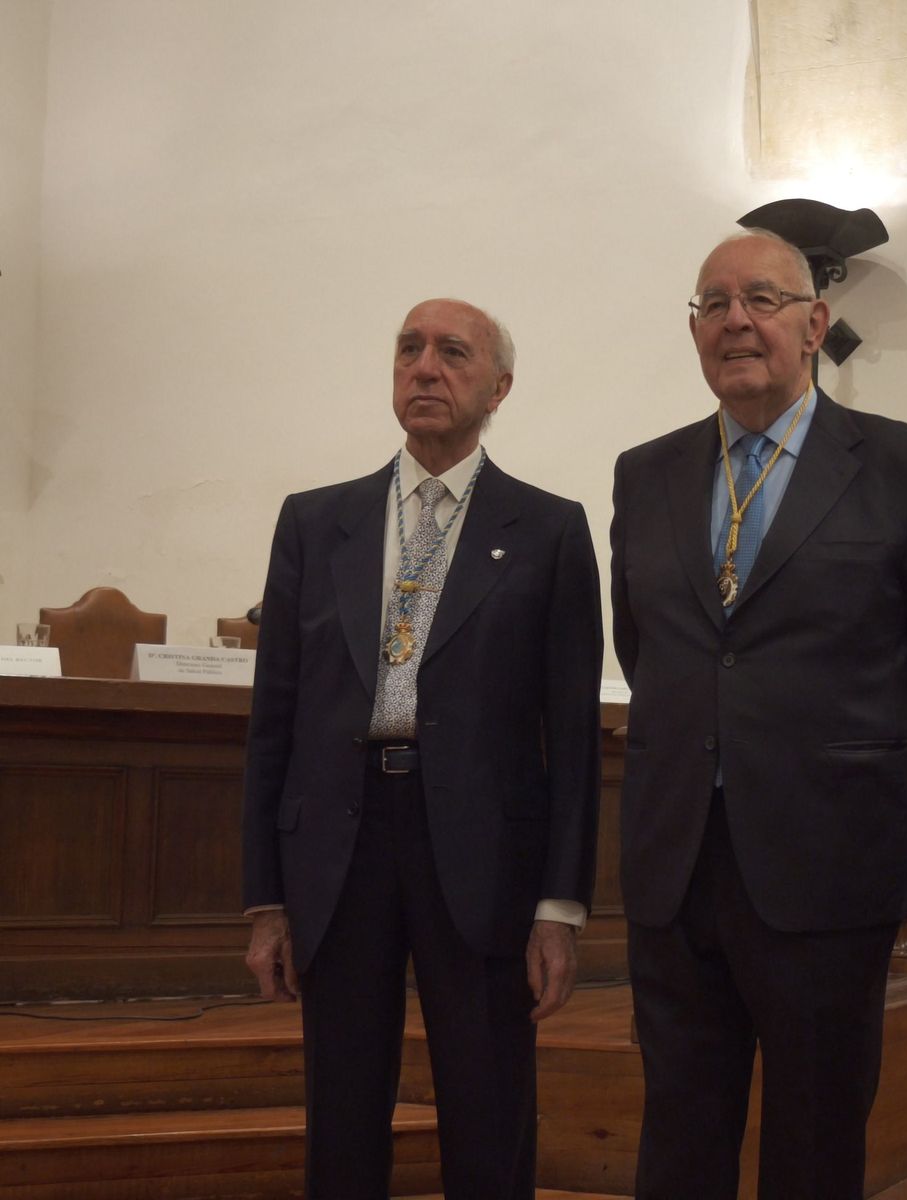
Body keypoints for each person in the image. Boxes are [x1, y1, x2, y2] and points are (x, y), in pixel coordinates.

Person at [610, 228, 907, 1199]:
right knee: (679, 1136)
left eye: (762, 300)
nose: (735, 321)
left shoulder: (903, 468)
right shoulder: (644, 475)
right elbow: (644, 649)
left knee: (815, 1147)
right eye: (712, 303)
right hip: (677, 857)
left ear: (814, 324)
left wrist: (852, 769)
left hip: (830, 859)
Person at [241, 298, 602, 1199]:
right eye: (409, 350)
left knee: (488, 1111)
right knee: (342, 1114)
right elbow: (273, 716)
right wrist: (264, 898)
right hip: (339, 844)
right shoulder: (316, 523)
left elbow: (571, 730)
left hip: (482, 855)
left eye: (453, 353)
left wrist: (560, 903)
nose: (426, 369)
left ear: (499, 386)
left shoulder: (549, 531)